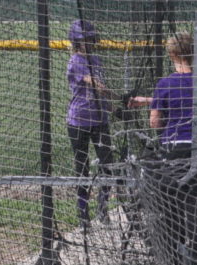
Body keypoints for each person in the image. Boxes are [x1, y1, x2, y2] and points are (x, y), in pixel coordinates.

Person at [129, 31, 197, 265]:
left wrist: (155, 103)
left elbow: (155, 123)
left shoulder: (165, 84)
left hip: (176, 149)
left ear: (172, 54)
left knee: (173, 203)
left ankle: (176, 254)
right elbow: (186, 98)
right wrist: (151, 99)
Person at [67, 19, 114, 226]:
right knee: (82, 167)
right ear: (76, 42)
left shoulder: (95, 59)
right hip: (79, 121)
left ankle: (103, 209)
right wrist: (114, 94)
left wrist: (114, 107)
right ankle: (83, 213)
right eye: (83, 40)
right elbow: (95, 84)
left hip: (100, 119)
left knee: (108, 164)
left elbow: (101, 92)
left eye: (89, 39)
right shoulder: (76, 60)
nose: (87, 43)